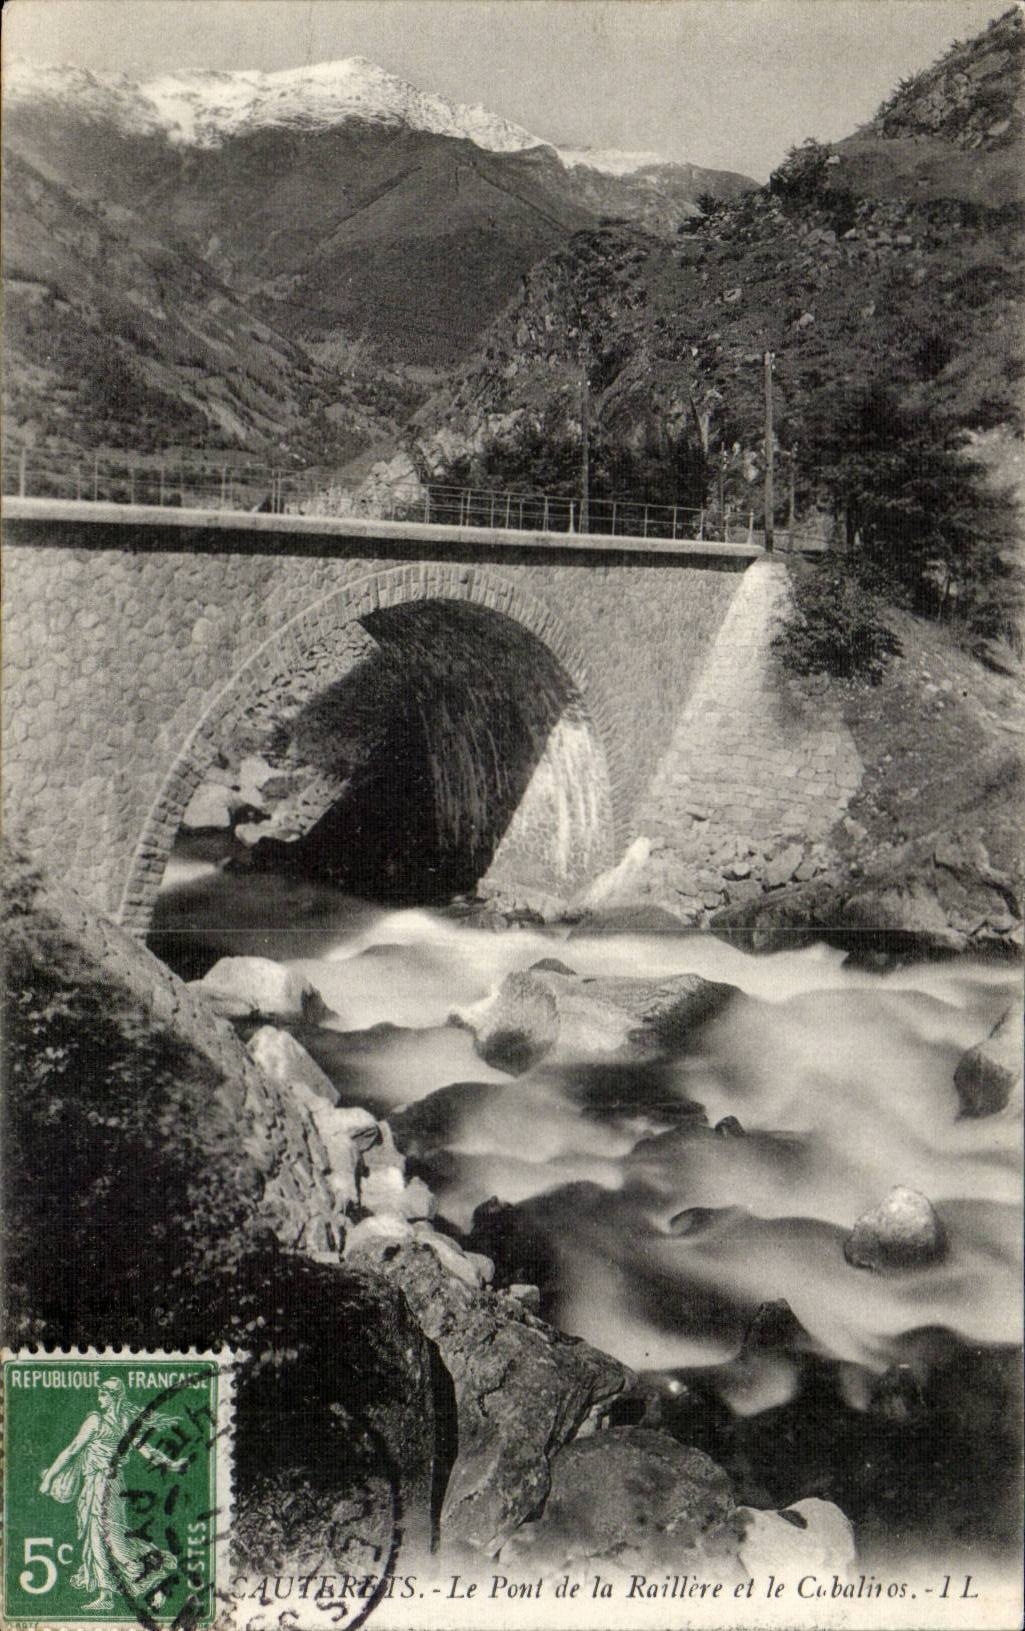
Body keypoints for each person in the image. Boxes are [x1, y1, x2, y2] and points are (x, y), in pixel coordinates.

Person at [39, 1378, 186, 1612]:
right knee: (95, 1538)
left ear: (114, 1396)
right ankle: (106, 1594)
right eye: (99, 1394)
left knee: (114, 1541)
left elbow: (146, 1450)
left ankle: (156, 1575)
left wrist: (170, 1464)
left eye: (103, 1394)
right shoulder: (95, 1420)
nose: (99, 1398)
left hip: (110, 1485)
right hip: (94, 1484)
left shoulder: (118, 1421)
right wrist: (49, 1478)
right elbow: (72, 1449)